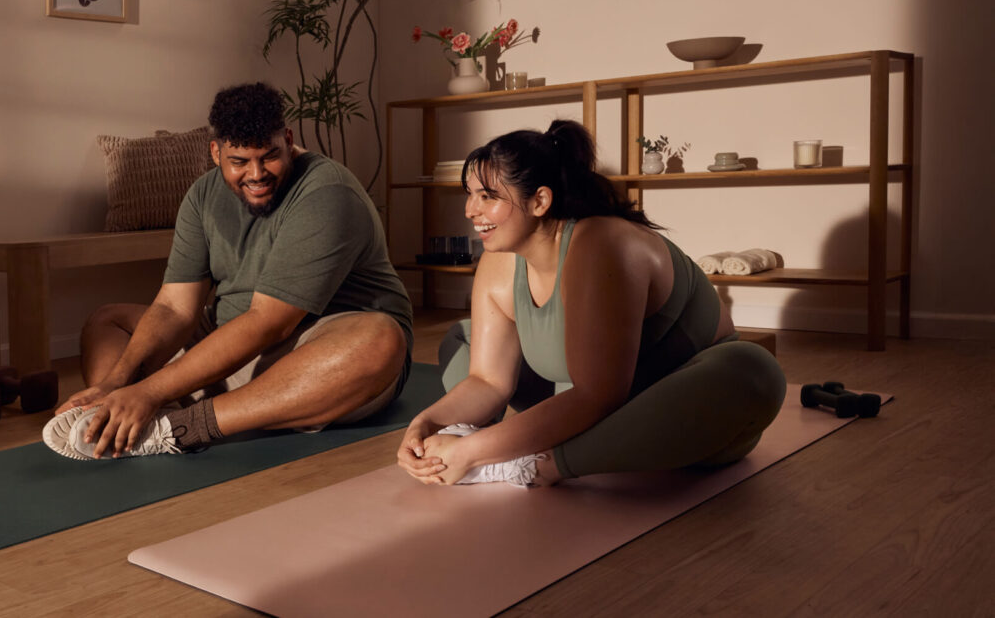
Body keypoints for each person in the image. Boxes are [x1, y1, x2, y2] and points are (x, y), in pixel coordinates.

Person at [397, 120, 785, 488]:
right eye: (469, 194)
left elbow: (598, 395)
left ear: (540, 201)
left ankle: (541, 463)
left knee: (753, 368)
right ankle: (515, 449)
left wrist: (472, 451)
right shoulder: (498, 261)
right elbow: (489, 380)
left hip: (676, 413)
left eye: (487, 196)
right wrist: (425, 422)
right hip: (589, 407)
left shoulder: (603, 244)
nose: (470, 210)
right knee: (461, 339)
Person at [44, 82, 413, 460]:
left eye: (269, 156)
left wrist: (150, 390)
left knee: (381, 339)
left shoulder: (327, 193)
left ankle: (176, 429)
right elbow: (174, 308)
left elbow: (270, 324)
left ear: (288, 140)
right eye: (239, 161)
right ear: (216, 152)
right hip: (228, 341)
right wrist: (115, 381)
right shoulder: (202, 195)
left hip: (315, 354)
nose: (256, 174)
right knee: (109, 321)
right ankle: (110, 413)